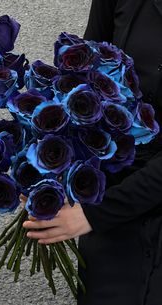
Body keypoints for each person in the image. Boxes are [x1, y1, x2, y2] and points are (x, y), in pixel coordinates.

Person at [23, 1, 162, 304]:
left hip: (111, 209)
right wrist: (45, 173)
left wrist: (95, 214)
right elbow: (80, 79)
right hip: (113, 223)